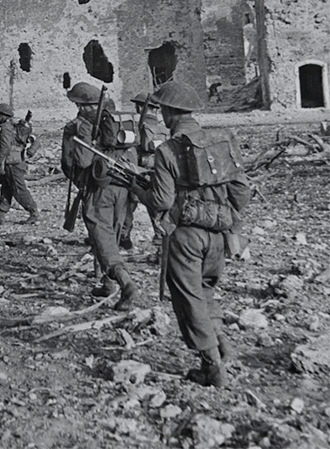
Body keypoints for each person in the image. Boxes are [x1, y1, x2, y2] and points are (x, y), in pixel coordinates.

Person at [131, 81, 251, 388]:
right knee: (206, 290)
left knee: (189, 298)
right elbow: (241, 191)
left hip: (185, 237)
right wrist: (225, 218)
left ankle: (212, 367)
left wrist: (139, 190)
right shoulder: (221, 140)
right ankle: (223, 344)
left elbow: (161, 201)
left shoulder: (169, 150)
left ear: (170, 113)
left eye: (162, 110)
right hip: (219, 233)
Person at [61, 82, 137, 311]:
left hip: (98, 188)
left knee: (101, 234)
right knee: (110, 233)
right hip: (122, 186)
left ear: (83, 106)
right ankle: (107, 282)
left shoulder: (82, 125)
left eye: (77, 104)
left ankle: (125, 282)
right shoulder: (115, 120)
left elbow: (81, 161)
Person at [118, 93, 167, 251]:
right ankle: (161, 238)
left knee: (128, 205)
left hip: (139, 168)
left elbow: (135, 147)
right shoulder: (163, 127)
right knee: (156, 207)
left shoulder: (139, 125)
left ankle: (124, 238)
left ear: (141, 107)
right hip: (159, 169)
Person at [0, 103, 39, 225]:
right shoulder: (14, 126)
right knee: (6, 188)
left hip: (12, 164)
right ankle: (0, 214)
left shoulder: (6, 128)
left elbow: (5, 146)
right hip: (17, 161)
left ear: (3, 116)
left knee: (18, 189)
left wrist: (1, 162)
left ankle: (33, 212)